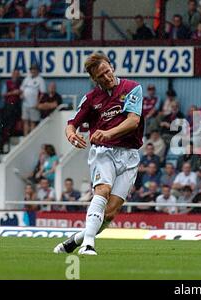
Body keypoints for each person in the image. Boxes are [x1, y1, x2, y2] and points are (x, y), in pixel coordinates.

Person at [53, 52, 144, 255]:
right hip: (103, 152)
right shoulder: (91, 98)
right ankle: (88, 245)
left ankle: (75, 240)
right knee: (102, 189)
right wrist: (70, 135)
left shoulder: (132, 88)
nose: (107, 77)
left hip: (129, 155)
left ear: (111, 66)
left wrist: (107, 132)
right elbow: (72, 123)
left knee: (110, 213)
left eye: (107, 71)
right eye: (101, 76)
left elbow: (133, 121)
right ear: (95, 79)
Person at [20, 63, 46, 136]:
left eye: (34, 69)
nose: (33, 71)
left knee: (33, 122)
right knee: (25, 121)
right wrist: (22, 95)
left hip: (34, 104)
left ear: (37, 71)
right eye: (32, 69)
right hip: (25, 103)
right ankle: (25, 137)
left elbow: (42, 93)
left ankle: (31, 137)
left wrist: (38, 103)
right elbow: (22, 89)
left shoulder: (40, 80)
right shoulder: (27, 78)